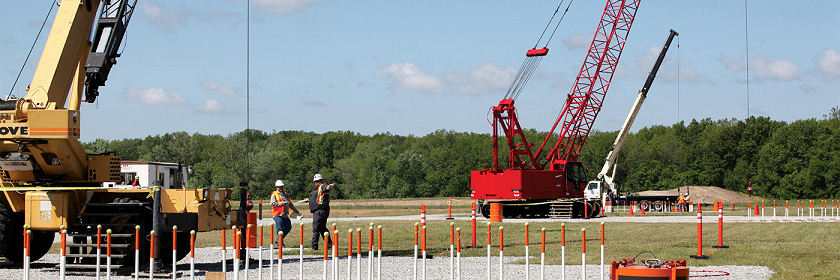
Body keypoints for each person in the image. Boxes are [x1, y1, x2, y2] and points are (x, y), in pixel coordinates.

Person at [308, 173, 335, 250]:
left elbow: (326, 187)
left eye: (318, 181)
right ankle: (330, 245)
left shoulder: (322, 186)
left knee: (316, 229)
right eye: (315, 181)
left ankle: (314, 247)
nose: (316, 183)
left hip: (320, 212)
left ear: (321, 181)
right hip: (321, 211)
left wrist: (330, 186)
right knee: (322, 229)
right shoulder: (318, 190)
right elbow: (319, 199)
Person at [270, 180, 300, 244]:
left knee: (288, 227)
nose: (281, 188)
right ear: (276, 187)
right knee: (280, 229)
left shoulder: (285, 194)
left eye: (281, 186)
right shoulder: (274, 194)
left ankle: (278, 240)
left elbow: (289, 203)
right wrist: (282, 203)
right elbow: (272, 203)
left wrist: (294, 209)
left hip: (285, 215)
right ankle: (280, 242)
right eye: (279, 187)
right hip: (278, 215)